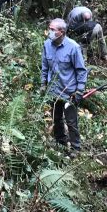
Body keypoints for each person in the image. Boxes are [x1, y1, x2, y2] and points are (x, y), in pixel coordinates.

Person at [41, 18, 87, 154]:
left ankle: (75, 149)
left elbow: (81, 70)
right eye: (49, 28)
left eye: (52, 29)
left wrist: (79, 91)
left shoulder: (73, 47)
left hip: (69, 92)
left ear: (61, 32)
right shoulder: (47, 45)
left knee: (71, 122)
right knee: (56, 120)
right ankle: (60, 144)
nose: (49, 32)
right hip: (54, 91)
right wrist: (43, 83)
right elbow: (44, 66)